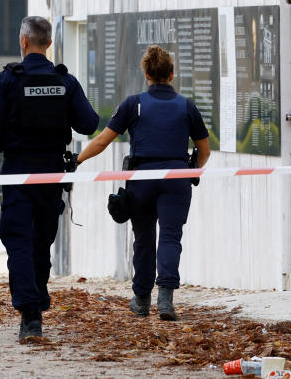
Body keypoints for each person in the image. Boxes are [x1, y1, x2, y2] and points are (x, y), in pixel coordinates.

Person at [0, 16, 99, 341]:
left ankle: (31, 313)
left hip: (18, 172)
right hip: (52, 173)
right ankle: (36, 302)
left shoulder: (10, 80)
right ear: (49, 43)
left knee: (19, 241)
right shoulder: (64, 81)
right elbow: (89, 124)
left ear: (23, 41)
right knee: (41, 242)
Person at [76, 44, 210, 322]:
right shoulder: (187, 106)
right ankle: (166, 301)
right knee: (171, 237)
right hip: (177, 179)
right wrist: (192, 169)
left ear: (146, 74)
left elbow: (102, 141)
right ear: (171, 74)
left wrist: (76, 160)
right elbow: (204, 150)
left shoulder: (133, 104)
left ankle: (140, 300)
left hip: (142, 179)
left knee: (144, 239)